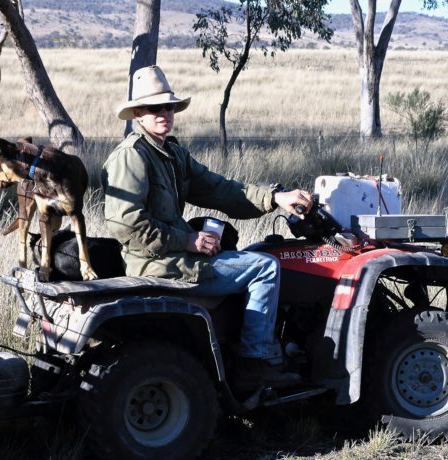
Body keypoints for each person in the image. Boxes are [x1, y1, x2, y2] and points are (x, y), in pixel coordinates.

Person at [102, 66, 313, 390]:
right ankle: (253, 362)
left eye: (168, 106)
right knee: (265, 268)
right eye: (155, 108)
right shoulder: (132, 156)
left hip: (173, 258)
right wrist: (186, 240)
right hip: (159, 265)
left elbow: (219, 189)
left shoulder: (172, 155)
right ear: (139, 113)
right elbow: (126, 223)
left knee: (253, 252)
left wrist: (274, 198)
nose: (164, 114)